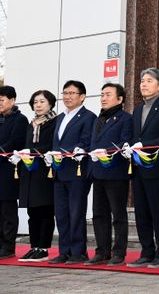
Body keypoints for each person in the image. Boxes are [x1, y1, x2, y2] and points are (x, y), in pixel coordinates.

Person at [126, 68, 159, 269]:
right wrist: (129, 146)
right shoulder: (138, 110)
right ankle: (146, 252)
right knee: (141, 212)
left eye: (149, 80)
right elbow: (134, 136)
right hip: (138, 167)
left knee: (158, 211)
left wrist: (144, 145)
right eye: (142, 81)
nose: (144, 84)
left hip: (156, 168)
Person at [85, 83, 133, 266]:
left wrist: (106, 152)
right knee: (99, 214)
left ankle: (119, 252)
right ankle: (102, 251)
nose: (103, 98)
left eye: (108, 94)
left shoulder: (125, 118)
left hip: (115, 172)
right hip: (97, 172)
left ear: (120, 99)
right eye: (102, 94)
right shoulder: (99, 119)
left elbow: (125, 142)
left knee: (118, 215)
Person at [49, 80, 96, 264]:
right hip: (59, 171)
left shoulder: (88, 117)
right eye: (65, 93)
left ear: (82, 96)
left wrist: (67, 152)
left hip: (77, 172)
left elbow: (86, 142)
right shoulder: (60, 117)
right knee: (61, 213)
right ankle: (64, 251)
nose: (67, 97)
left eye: (72, 93)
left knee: (76, 212)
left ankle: (78, 252)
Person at [17, 90, 58, 262]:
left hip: (45, 171)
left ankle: (43, 248)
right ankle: (34, 246)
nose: (38, 105)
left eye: (42, 101)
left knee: (45, 210)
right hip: (30, 170)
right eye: (35, 102)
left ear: (50, 103)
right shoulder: (31, 123)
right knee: (32, 212)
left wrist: (32, 151)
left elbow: (51, 145)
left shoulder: (55, 122)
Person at [0, 86, 29, 259]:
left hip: (9, 170)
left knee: (8, 210)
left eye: (2, 100)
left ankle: (8, 246)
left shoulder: (20, 119)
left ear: (12, 100)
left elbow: (16, 141)